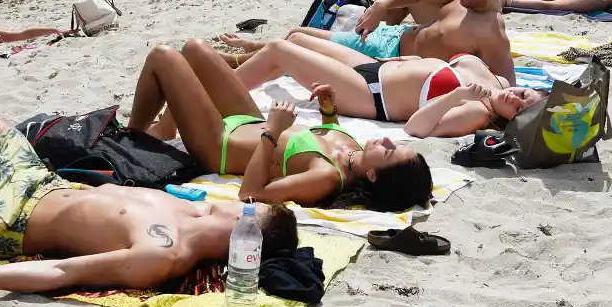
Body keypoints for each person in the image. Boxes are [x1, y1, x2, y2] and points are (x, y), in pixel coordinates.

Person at [0, 95, 299, 296]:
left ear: (247, 229)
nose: (242, 196)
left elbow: (62, 272)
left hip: (7, 214)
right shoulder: (192, 205)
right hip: (42, 182)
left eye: (248, 205)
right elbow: (252, 185)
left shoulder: (163, 252)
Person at [128, 41, 432, 208]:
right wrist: (329, 111)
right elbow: (326, 135)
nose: (390, 142)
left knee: (163, 56)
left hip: (219, 143)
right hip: (250, 122)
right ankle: (165, 129)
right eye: (397, 144)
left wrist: (273, 131)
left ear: (373, 176)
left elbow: (251, 194)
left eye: (391, 152)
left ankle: (132, 135)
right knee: (196, 50)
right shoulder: (356, 151)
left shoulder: (325, 177)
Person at [223, 0, 516, 85]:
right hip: (392, 37)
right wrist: (379, 8)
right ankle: (250, 53)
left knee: (299, 40)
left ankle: (241, 61)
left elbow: (507, 84)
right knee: (298, 34)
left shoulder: (492, 33)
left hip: (389, 59)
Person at [230, 36, 540, 138]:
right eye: (523, 94)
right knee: (296, 40)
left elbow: (415, 129)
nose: (514, 96)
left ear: (510, 121)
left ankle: (218, 88)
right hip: (377, 66)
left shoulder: (476, 112)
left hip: (370, 95)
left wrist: (457, 94)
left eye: (516, 106)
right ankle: (235, 67)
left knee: (278, 50)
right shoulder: (498, 83)